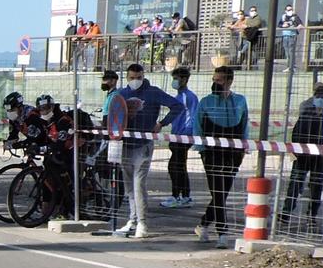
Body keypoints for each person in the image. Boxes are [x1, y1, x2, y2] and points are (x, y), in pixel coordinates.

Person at [102, 61, 186, 239]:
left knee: (138, 185)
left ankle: (143, 223)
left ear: (144, 76)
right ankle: (132, 220)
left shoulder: (153, 92)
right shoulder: (121, 94)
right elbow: (113, 117)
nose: (135, 81)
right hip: (125, 144)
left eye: (138, 77)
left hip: (143, 145)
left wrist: (162, 123)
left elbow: (177, 106)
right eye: (132, 78)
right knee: (129, 188)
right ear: (127, 77)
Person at [193, 65, 249, 243]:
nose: (215, 83)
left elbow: (245, 124)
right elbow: (197, 126)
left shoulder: (240, 101)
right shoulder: (205, 102)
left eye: (219, 80)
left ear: (229, 81)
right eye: (214, 80)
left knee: (222, 192)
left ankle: (203, 224)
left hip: (233, 152)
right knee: (217, 190)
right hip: (211, 152)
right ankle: (222, 232)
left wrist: (243, 147)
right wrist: (201, 148)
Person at [280, 80, 323, 227]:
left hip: (321, 158)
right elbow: (296, 132)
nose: (319, 98)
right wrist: (295, 150)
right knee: (294, 185)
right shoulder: (307, 112)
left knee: (316, 187)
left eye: (322, 95)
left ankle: (311, 216)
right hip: (302, 156)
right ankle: (285, 214)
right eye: (317, 94)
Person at [162, 66, 199, 207]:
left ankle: (176, 197)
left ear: (184, 80)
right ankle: (185, 196)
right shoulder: (181, 96)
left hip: (183, 136)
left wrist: (162, 124)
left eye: (177, 79)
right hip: (178, 135)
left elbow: (187, 116)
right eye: (174, 79)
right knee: (180, 166)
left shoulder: (186, 97)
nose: (175, 81)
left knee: (175, 166)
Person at [278, 4, 302, 75]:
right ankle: (289, 66)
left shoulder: (295, 17)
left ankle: (292, 67)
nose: (290, 11)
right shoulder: (283, 17)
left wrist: (299, 26)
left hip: (292, 35)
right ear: (285, 11)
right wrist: (283, 25)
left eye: (291, 9)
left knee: (291, 51)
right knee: (287, 52)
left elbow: (300, 24)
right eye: (288, 10)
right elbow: (279, 25)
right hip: (285, 36)